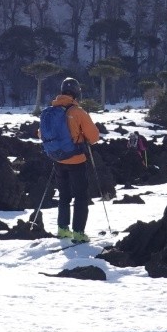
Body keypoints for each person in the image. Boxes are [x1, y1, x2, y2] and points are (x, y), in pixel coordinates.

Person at [50, 77, 102, 243]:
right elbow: (93, 137)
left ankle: (62, 229)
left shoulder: (51, 111)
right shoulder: (78, 112)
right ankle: (78, 233)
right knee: (80, 196)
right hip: (76, 160)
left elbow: (41, 134)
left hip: (58, 159)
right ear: (77, 92)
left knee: (64, 196)